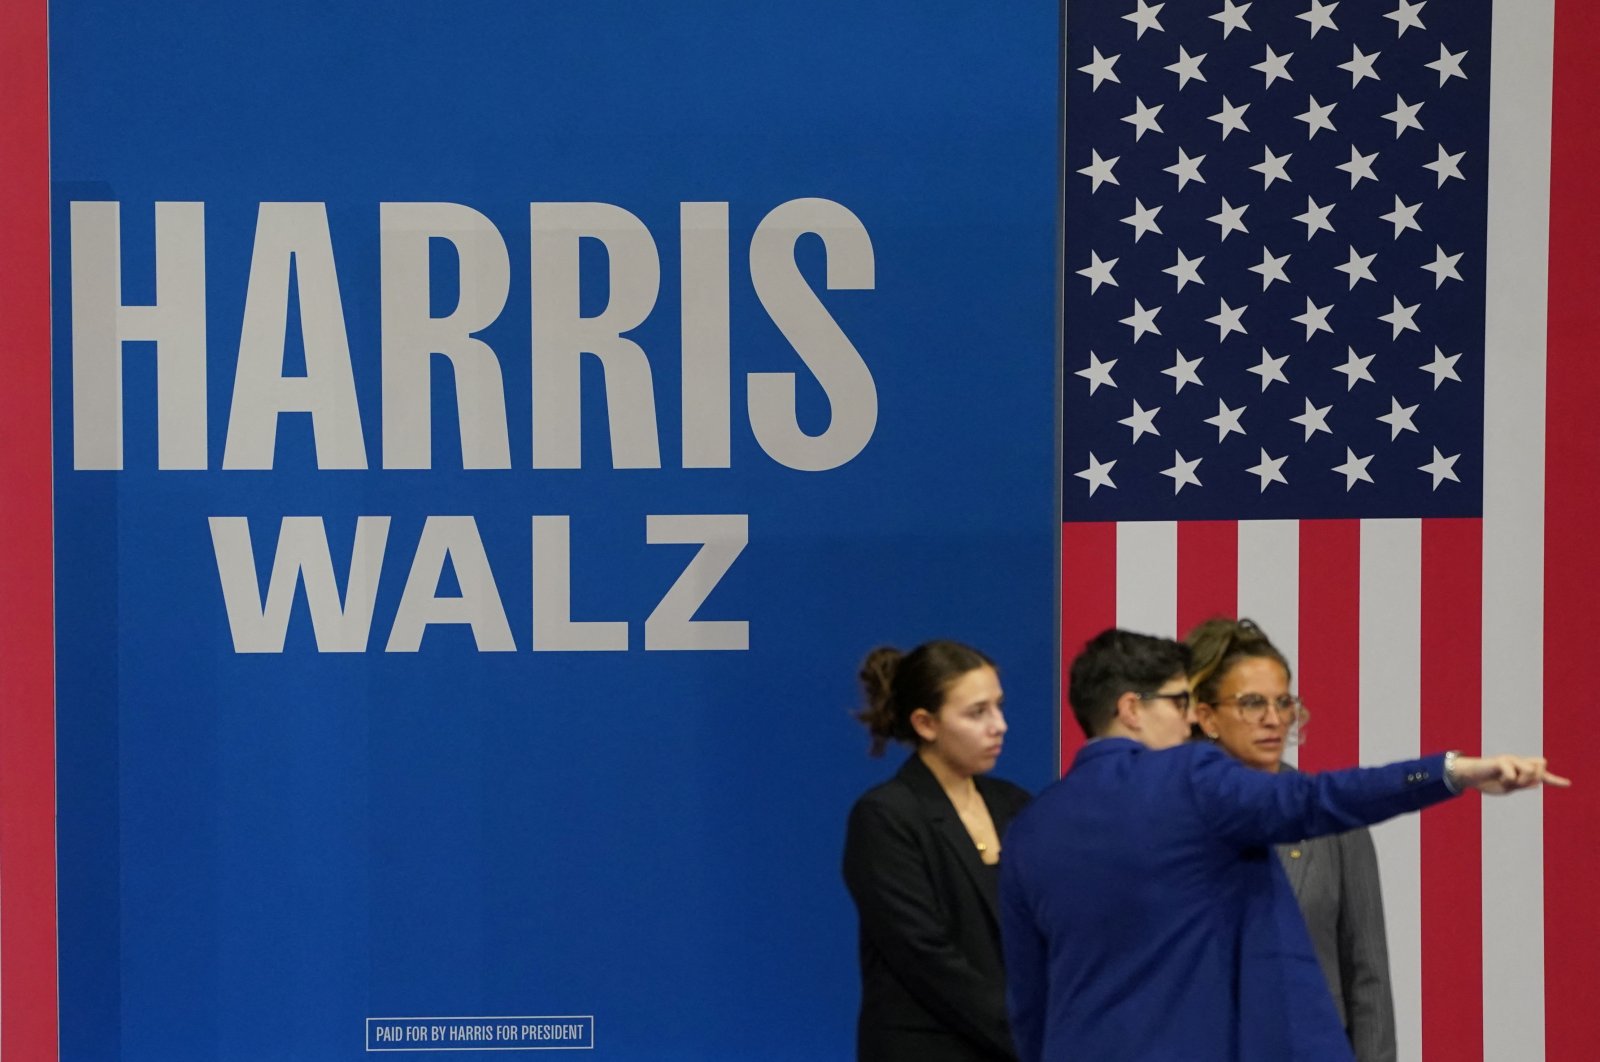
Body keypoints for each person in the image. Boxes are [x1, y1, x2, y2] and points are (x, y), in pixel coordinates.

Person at [999, 628, 1567, 1062]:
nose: (1188, 720)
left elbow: (1028, 1001)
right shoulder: (1188, 779)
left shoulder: (1028, 829)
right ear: (1130, 709)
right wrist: (1450, 772)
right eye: (1178, 702)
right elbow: (1315, 800)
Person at [1187, 617, 1395, 1062]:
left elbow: (1368, 979)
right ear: (1206, 717)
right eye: (1252, 703)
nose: (1273, 719)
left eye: (1283, 703)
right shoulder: (1169, 820)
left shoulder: (1333, 818)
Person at [842, 640, 1030, 1061]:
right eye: (977, 713)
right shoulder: (885, 816)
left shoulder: (1015, 805)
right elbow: (924, 955)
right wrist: (1022, 1033)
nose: (999, 725)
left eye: (999, 707)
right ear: (926, 724)